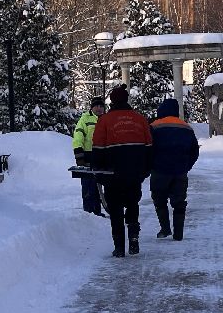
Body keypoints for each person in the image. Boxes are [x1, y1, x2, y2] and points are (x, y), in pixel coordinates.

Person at [89, 85, 153, 256]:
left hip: (112, 174)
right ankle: (133, 239)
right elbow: (149, 146)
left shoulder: (104, 121)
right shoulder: (140, 119)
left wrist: (98, 171)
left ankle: (119, 247)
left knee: (115, 209)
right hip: (134, 173)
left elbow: (98, 147)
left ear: (112, 101)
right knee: (132, 204)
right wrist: (145, 170)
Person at [148, 97, 199, 240]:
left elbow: (148, 148)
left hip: (159, 171)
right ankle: (179, 234)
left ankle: (165, 229)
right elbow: (194, 151)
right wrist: (186, 166)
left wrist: (150, 165)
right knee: (179, 202)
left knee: (159, 200)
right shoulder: (186, 127)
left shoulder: (154, 126)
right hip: (180, 171)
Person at [72, 95, 107, 216]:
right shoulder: (84, 120)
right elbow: (78, 138)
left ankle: (97, 211)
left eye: (101, 106)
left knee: (98, 186)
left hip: (101, 158)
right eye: (96, 106)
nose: (99, 108)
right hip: (87, 157)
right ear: (91, 108)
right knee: (88, 185)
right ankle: (88, 212)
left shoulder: (106, 120)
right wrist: (79, 156)